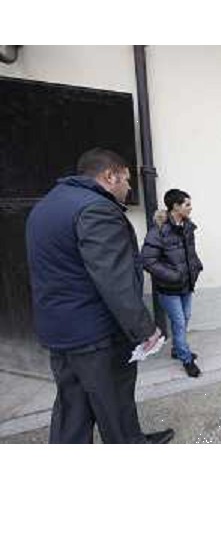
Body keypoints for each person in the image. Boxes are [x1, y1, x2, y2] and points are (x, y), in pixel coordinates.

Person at [25, 148, 174, 444]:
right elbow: (114, 280)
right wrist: (145, 329)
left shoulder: (46, 205)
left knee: (73, 406)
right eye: (127, 180)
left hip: (60, 331)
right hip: (96, 334)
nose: (130, 188)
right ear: (110, 175)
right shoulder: (96, 209)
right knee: (114, 401)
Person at [142, 189, 203, 378]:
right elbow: (148, 260)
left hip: (186, 284)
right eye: (187, 204)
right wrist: (173, 275)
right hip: (169, 288)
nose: (190, 208)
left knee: (185, 318)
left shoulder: (187, 227)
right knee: (178, 321)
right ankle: (186, 359)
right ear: (175, 206)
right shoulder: (159, 230)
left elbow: (190, 254)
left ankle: (177, 349)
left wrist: (196, 266)